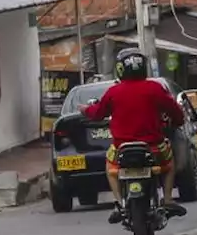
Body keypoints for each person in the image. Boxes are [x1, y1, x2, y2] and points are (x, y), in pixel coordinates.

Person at [80, 48, 188, 224]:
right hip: (154, 147)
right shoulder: (155, 88)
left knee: (111, 168)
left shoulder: (113, 92)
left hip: (122, 149)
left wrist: (85, 110)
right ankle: (167, 199)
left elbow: (98, 113)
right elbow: (175, 111)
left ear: (120, 69)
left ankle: (119, 203)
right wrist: (178, 121)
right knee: (169, 164)